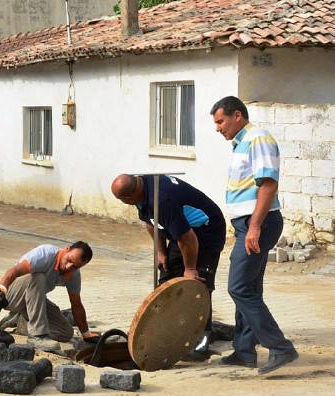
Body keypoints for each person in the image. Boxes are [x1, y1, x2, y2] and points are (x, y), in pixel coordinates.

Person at [211, 96, 298, 374]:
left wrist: (255, 227)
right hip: (247, 224)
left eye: (220, 121)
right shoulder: (241, 143)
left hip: (258, 223)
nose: (218, 128)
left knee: (238, 287)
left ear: (238, 115)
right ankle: (244, 351)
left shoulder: (258, 138)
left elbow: (269, 185)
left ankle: (280, 347)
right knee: (248, 288)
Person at [111, 173, 226, 361]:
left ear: (129, 196)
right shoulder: (143, 190)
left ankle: (200, 341)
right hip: (183, 232)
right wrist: (161, 252)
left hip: (206, 230)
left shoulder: (163, 199)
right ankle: (171, 331)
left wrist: (190, 269)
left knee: (198, 285)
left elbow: (188, 239)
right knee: (166, 280)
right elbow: (151, 223)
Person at [0, 242, 98, 352]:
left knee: (66, 333)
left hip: (33, 300)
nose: (69, 266)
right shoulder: (45, 254)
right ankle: (37, 336)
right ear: (67, 249)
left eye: (75, 266)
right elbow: (13, 271)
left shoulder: (73, 274)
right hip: (11, 296)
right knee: (38, 277)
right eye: (69, 260)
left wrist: (86, 334)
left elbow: (76, 304)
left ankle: (22, 323)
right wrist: (0, 290)